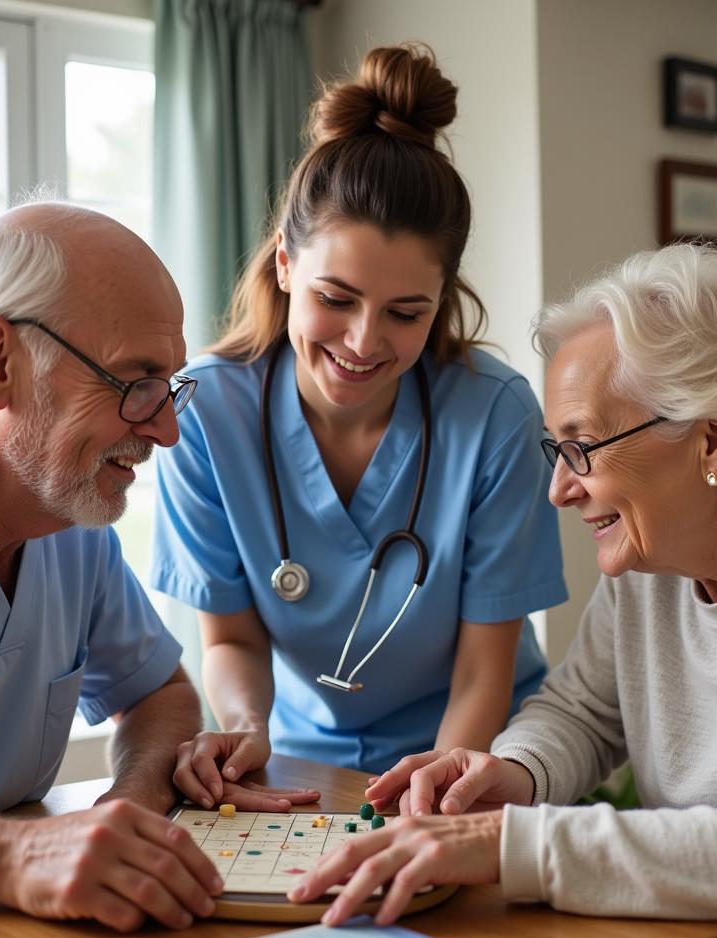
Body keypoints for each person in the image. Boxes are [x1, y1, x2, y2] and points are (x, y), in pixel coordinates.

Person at [288, 244, 717, 938]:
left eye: (581, 446)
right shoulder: (660, 561)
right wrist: (511, 776)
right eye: (555, 449)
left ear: (714, 440)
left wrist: (513, 848)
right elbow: (580, 711)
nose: (558, 489)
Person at [0, 202, 317, 933]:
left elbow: (160, 697)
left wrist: (131, 802)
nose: (167, 429)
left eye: (170, 384)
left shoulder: (64, 515)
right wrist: (14, 857)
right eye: (134, 381)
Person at [151, 45, 567, 804]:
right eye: (335, 299)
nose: (364, 341)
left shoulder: (496, 419)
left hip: (481, 757)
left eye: (406, 312)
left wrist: (437, 793)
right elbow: (233, 638)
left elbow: (483, 668)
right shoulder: (204, 413)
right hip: (306, 768)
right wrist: (245, 727)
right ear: (284, 263)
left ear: (441, 301)